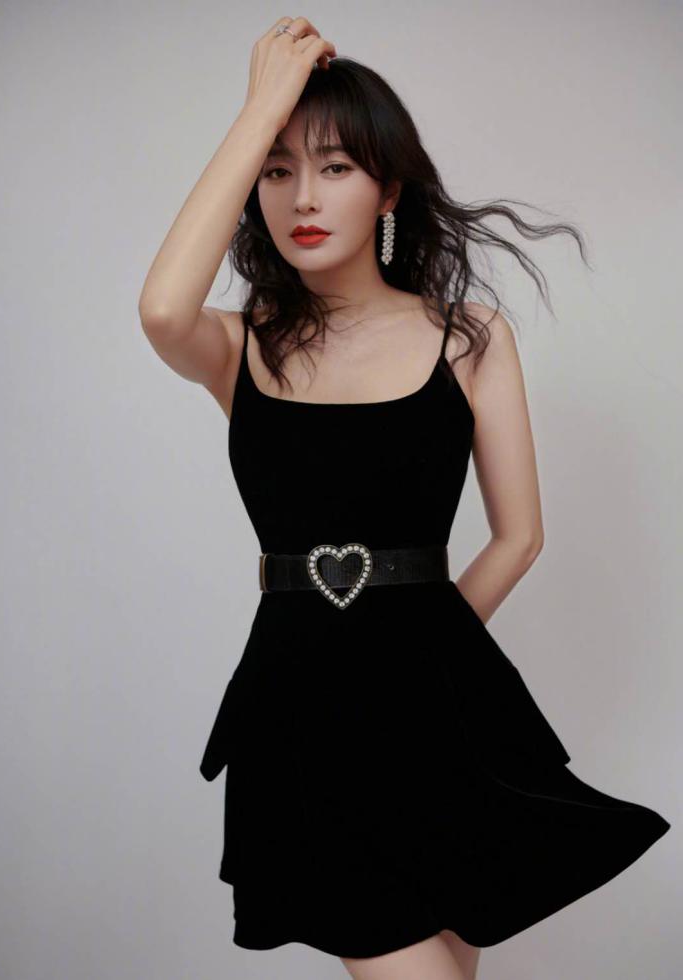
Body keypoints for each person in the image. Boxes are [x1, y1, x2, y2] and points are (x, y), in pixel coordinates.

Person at [137, 16, 671, 980]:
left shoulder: (469, 335)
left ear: (388, 189)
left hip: (438, 720)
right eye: (276, 170)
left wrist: (413, 664)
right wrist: (261, 105)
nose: (302, 197)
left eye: (335, 167)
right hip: (298, 718)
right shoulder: (238, 345)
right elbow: (162, 308)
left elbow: (519, 537)